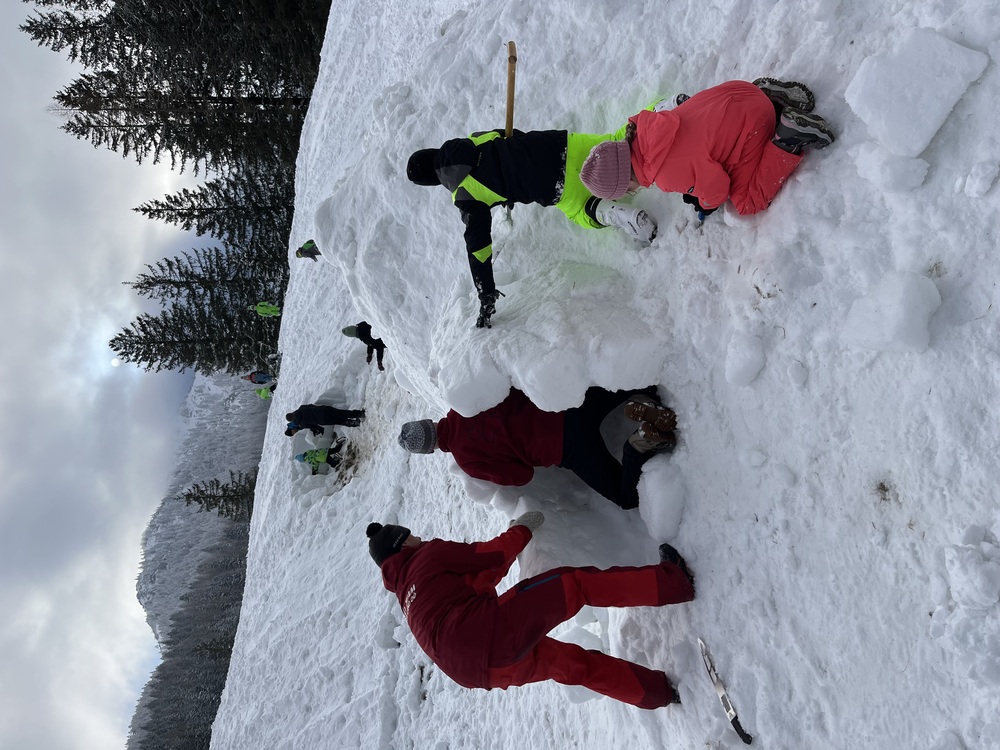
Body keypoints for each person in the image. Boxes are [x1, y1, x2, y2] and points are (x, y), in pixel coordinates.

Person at [366, 513, 695, 708]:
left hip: (476, 672)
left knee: (571, 665)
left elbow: (476, 583)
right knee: (573, 585)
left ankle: (658, 693)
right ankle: (673, 583)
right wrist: (522, 529)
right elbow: (491, 557)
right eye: (411, 535)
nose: (418, 537)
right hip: (487, 633)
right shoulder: (428, 556)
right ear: (403, 543)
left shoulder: (407, 597)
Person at [406, 123, 657, 328]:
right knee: (614, 143)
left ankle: (617, 213)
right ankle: (659, 115)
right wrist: (505, 189)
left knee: (582, 210)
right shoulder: (472, 140)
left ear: (432, 182)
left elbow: (478, 248)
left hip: (551, 182)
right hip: (558, 144)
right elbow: (510, 136)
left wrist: (486, 294)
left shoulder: (464, 195)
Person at [579, 78, 835, 220]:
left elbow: (717, 187)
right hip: (743, 92)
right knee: (716, 141)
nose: (631, 193)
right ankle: (769, 98)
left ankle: (788, 137)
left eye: (625, 192)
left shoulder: (665, 175)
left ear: (626, 182)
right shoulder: (649, 127)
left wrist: (706, 202)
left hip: (754, 123)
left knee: (746, 202)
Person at [397, 386, 677, 510]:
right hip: (568, 404)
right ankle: (646, 400)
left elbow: (521, 476)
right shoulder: (465, 403)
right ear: (428, 421)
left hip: (567, 447)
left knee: (625, 498)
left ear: (429, 450)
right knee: (624, 387)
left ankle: (637, 444)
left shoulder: (468, 461)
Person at [285, 403, 366, 437]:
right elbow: (311, 405)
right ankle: (359, 413)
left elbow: (313, 426)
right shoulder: (301, 408)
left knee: (339, 421)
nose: (294, 432)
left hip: (323, 420)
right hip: (323, 410)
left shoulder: (301, 424)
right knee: (341, 413)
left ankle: (355, 423)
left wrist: (317, 430)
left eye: (292, 432)